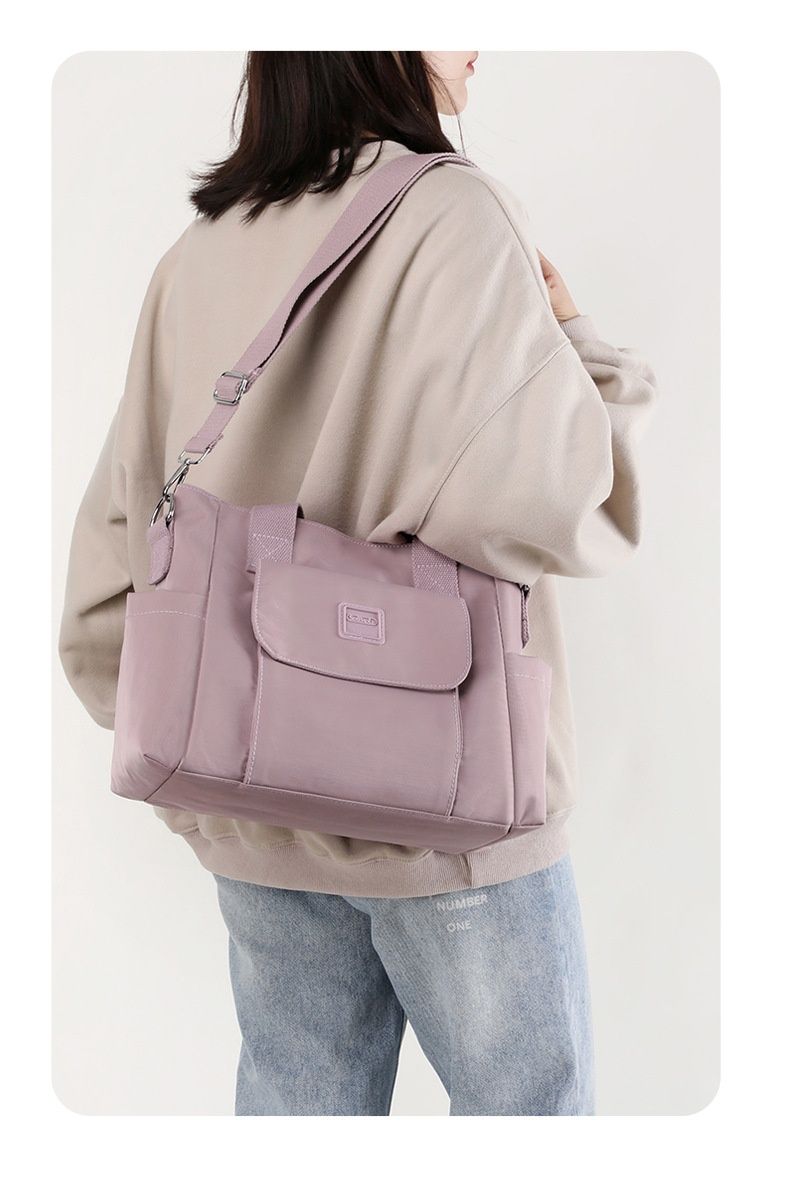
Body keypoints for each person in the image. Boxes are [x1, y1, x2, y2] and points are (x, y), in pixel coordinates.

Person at [59, 51, 658, 1116]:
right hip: (453, 817)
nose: (477, 39)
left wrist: (202, 754)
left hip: (251, 812)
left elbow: (116, 552)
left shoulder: (199, 251)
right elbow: (566, 499)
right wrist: (584, 350)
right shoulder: (455, 215)